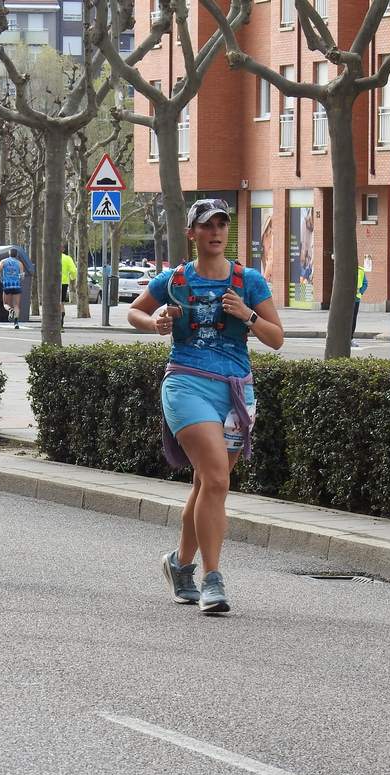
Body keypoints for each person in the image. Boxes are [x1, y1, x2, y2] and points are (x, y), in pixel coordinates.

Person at [128, 198, 284, 615]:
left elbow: (276, 338)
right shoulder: (174, 279)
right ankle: (212, 580)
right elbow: (134, 312)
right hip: (186, 383)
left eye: (222, 224)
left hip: (236, 390)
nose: (216, 232)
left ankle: (180, 565)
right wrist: (156, 320)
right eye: (207, 225)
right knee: (216, 479)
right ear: (192, 233)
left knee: (205, 485)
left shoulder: (248, 280)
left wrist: (247, 314)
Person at [0, 247, 24, 329]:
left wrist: (1, 279)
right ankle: (16, 323)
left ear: (9, 254)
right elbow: (22, 276)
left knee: (5, 304)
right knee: (16, 305)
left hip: (7, 284)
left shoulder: (3, 261)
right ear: (16, 255)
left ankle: (10, 310)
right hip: (16, 285)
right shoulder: (19, 263)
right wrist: (19, 279)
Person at [350, 265, 368, 348]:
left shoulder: (360, 270)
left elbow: (365, 283)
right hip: (346, 299)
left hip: (356, 299)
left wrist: (360, 291)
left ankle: (351, 338)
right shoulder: (345, 268)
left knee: (353, 319)